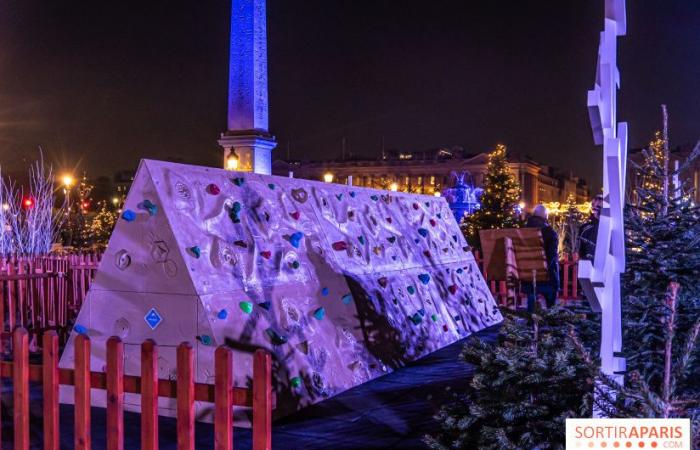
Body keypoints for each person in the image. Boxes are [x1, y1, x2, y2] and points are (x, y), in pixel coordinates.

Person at [523, 204, 559, 312]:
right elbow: (551, 256)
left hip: (527, 277)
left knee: (532, 290)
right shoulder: (549, 232)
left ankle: (531, 316)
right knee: (553, 283)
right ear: (545, 216)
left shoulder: (523, 230)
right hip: (545, 278)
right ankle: (551, 314)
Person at [579, 194, 603, 262]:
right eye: (594, 207)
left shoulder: (610, 227)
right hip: (589, 264)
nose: (596, 210)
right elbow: (581, 249)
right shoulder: (585, 228)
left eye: (598, 207)